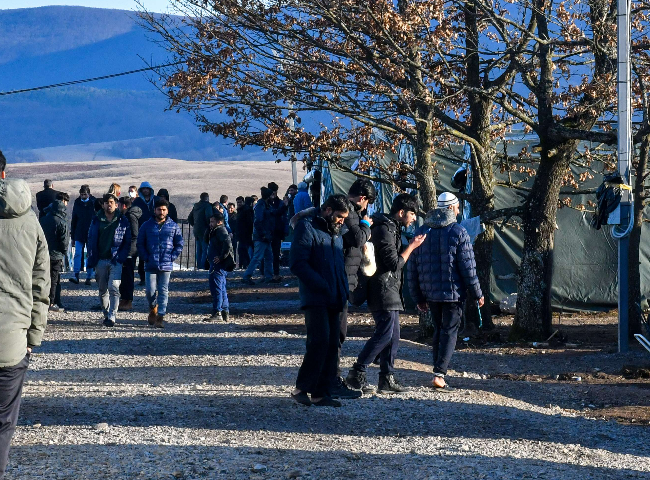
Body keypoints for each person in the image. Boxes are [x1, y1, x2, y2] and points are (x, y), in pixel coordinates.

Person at [0, 151, 50, 479]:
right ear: (4, 173)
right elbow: (41, 281)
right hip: (12, 340)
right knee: (4, 420)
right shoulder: (30, 220)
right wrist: (34, 335)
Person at [346, 193, 425, 394]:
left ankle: (386, 378)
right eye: (413, 214)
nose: (414, 218)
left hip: (390, 289)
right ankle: (357, 373)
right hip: (382, 289)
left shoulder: (392, 228)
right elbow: (393, 263)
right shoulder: (384, 230)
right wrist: (412, 247)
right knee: (385, 333)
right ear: (401, 212)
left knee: (394, 336)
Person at [408, 192, 484, 392]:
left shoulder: (423, 231)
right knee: (449, 332)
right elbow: (468, 268)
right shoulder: (458, 232)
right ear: (451, 208)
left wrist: (417, 296)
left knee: (439, 330)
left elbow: (413, 268)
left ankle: (437, 371)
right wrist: (477, 293)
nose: (459, 211)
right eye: (458, 207)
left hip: (431, 294)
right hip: (453, 294)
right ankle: (439, 374)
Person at [290, 195, 350, 407]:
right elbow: (298, 263)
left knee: (333, 343)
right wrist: (322, 285)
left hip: (335, 296)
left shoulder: (336, 233)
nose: (342, 221)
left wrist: (342, 290)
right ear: (328, 211)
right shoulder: (306, 229)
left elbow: (338, 264)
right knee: (319, 341)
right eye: (340, 217)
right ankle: (302, 388)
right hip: (316, 297)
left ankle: (320, 392)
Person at [333, 179, 376, 398]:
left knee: (338, 332)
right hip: (341, 277)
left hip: (344, 277)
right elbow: (358, 238)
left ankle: (332, 377)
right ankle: (333, 379)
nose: (367, 208)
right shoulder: (349, 211)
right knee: (337, 333)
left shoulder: (347, 210)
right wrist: (366, 225)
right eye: (367, 203)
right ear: (362, 198)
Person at [137, 198, 184, 329]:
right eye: (159, 209)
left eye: (164, 209)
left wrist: (172, 257)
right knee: (149, 290)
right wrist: (146, 257)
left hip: (166, 263)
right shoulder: (146, 225)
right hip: (150, 263)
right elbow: (140, 243)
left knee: (163, 290)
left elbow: (179, 244)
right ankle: (153, 307)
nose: (161, 212)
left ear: (167, 210)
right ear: (155, 210)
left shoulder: (173, 226)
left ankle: (160, 316)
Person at [86, 193, 131, 327]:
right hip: (100, 259)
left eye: (111, 202)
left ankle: (112, 316)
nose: (109, 205)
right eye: (106, 202)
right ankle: (106, 313)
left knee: (114, 287)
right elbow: (90, 238)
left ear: (116, 204)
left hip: (115, 259)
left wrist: (121, 257)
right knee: (102, 289)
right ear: (103, 204)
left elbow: (127, 241)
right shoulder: (96, 220)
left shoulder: (122, 220)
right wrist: (92, 255)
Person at [40, 194, 70, 313]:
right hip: (56, 255)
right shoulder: (61, 222)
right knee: (55, 279)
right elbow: (64, 241)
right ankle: (52, 301)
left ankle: (48, 300)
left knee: (45, 278)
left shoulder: (43, 220)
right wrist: (63, 252)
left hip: (43, 254)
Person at [203, 212, 233, 322]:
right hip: (217, 264)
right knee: (222, 288)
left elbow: (227, 242)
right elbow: (206, 239)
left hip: (217, 265)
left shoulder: (220, 230)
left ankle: (217, 312)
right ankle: (225, 312)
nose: (210, 224)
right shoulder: (216, 231)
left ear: (219, 222)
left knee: (216, 288)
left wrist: (221, 257)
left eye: (212, 222)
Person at [242, 187, 274, 285]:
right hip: (262, 236)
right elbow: (258, 221)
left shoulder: (262, 205)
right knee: (258, 257)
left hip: (263, 236)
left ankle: (268, 276)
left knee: (268, 257)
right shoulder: (262, 205)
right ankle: (247, 276)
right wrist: (263, 234)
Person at [118, 196, 142, 311]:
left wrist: (129, 251)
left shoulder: (130, 216)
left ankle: (127, 300)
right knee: (125, 275)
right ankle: (124, 299)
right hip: (127, 250)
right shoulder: (127, 215)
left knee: (128, 276)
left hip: (129, 251)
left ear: (123, 205)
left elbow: (134, 234)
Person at [70, 185, 96, 285]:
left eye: (84, 194)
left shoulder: (93, 203)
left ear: (88, 194)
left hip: (90, 232)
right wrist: (72, 236)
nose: (83, 196)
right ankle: (76, 274)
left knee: (90, 254)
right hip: (79, 232)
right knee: (77, 253)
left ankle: (89, 276)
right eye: (81, 194)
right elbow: (74, 219)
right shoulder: (77, 203)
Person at [132, 182, 158, 283]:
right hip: (140, 230)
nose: (146, 191)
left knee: (151, 254)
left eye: (147, 189)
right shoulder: (137, 201)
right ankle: (142, 277)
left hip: (152, 231)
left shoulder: (156, 200)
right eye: (144, 189)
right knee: (141, 255)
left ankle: (151, 277)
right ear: (141, 190)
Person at [267, 182, 288, 282]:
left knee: (274, 253)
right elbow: (275, 213)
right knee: (270, 253)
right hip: (271, 231)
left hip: (275, 231)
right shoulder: (278, 203)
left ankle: (274, 274)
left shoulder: (275, 203)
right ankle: (271, 274)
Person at [188, 192, 213, 270]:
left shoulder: (196, 206)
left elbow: (190, 218)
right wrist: (209, 227)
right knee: (205, 249)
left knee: (199, 249)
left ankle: (198, 265)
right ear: (207, 198)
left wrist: (194, 225)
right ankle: (202, 266)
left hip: (196, 230)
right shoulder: (207, 206)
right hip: (205, 230)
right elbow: (209, 217)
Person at [237, 196, 254, 269]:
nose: (239, 204)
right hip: (245, 233)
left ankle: (246, 264)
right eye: (238, 202)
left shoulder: (245, 210)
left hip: (245, 233)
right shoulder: (245, 210)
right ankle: (245, 264)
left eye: (240, 202)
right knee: (243, 249)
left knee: (243, 249)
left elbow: (249, 223)